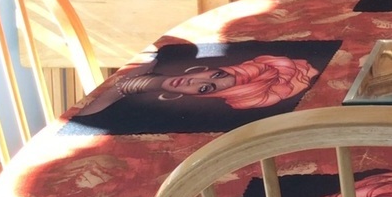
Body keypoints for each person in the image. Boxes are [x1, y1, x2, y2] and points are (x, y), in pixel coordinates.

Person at [73, 54, 319, 117]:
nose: (196, 81)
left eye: (205, 89)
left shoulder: (104, 109)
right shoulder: (155, 57)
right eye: (217, 74)